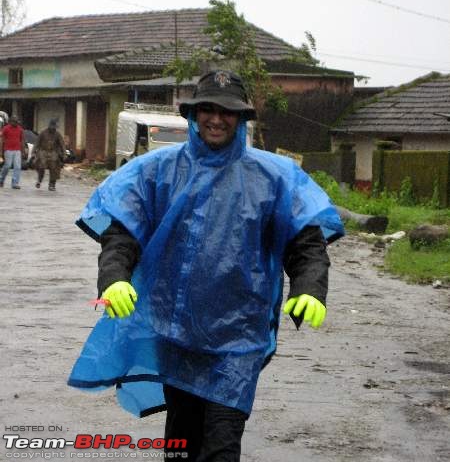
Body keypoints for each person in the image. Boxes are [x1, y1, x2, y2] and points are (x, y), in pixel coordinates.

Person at [68, 70, 344, 461]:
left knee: (221, 445)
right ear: (194, 115)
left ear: (242, 118)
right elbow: (122, 233)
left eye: (228, 111)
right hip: (176, 332)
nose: (217, 119)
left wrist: (309, 288)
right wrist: (114, 279)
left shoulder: (273, 177)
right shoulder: (157, 170)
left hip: (238, 338)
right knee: (181, 441)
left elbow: (306, 243)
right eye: (207, 109)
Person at [34, 119, 66, 191]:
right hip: (43, 151)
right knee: (41, 166)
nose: (53, 128)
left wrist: (64, 153)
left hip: (53, 152)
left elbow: (62, 144)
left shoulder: (57, 134)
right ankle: (39, 180)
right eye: (52, 127)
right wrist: (34, 152)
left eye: (54, 127)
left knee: (54, 167)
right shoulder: (43, 133)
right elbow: (37, 143)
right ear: (49, 126)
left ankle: (52, 184)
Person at [0, 114, 25, 189]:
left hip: (17, 150)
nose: (16, 123)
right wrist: (1, 151)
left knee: (17, 166)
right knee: (7, 165)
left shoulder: (20, 129)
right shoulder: (5, 129)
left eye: (17, 122)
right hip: (8, 149)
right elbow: (1, 140)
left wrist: (23, 151)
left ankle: (15, 183)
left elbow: (22, 140)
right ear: (11, 122)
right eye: (15, 122)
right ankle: (1, 179)